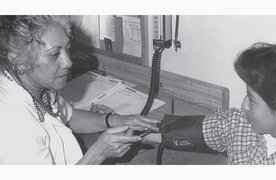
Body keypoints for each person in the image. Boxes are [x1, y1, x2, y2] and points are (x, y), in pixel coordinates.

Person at [0, 15, 159, 165]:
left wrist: (113, 120)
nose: (68, 62)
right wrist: (98, 153)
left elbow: (68, 116)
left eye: (67, 49)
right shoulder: (12, 123)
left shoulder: (35, 85)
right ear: (17, 60)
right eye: (55, 54)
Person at [146, 42, 276, 164]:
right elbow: (197, 131)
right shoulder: (241, 123)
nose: (243, 106)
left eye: (252, 100)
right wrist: (138, 132)